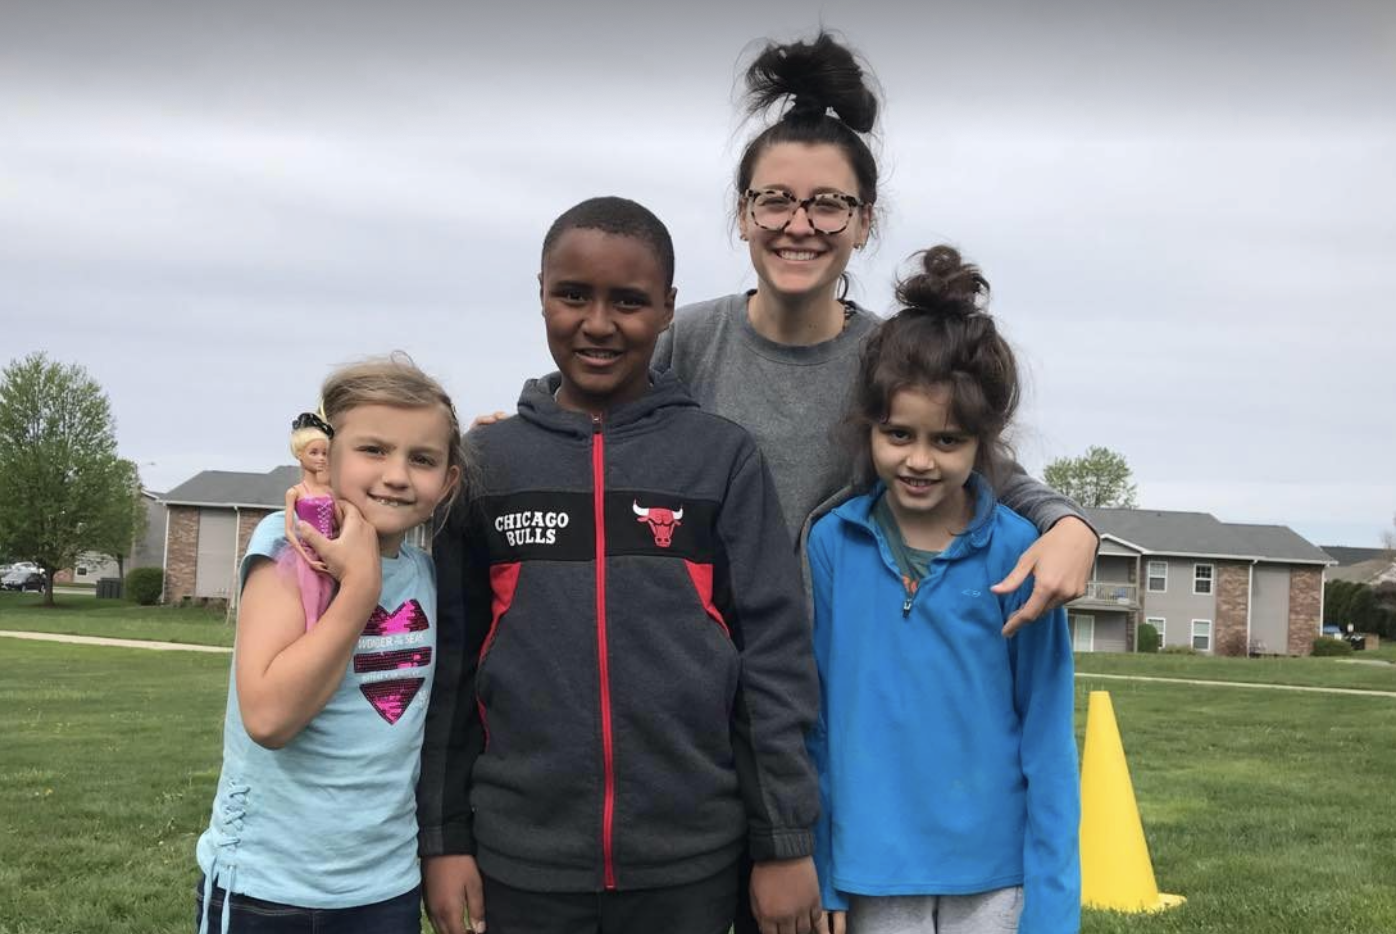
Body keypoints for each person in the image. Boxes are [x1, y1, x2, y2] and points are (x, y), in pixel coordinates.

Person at [418, 196, 825, 934]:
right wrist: (444, 840)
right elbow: (448, 672)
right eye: (573, 295)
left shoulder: (720, 459)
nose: (599, 323)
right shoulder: (487, 466)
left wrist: (783, 842)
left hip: (691, 866)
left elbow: (772, 661)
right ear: (542, 293)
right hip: (520, 864)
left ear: (667, 308)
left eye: (629, 302)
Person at [652, 31, 1098, 636]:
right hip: (697, 661)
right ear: (743, 214)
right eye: (775, 200)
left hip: (837, 663)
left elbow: (979, 463)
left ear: (864, 221)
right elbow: (586, 412)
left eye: (828, 204)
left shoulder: (893, 356)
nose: (799, 225)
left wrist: (1071, 525)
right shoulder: (684, 341)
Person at [807, 246, 1080, 934]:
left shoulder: (1022, 553)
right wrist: (824, 874)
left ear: (984, 440)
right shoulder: (832, 544)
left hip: (995, 880)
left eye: (948, 440)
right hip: (868, 876)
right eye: (898, 434)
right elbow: (817, 724)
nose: (920, 460)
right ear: (869, 427)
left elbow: (1048, 739)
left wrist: (1052, 909)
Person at [193, 356, 467, 934]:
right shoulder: (290, 546)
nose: (397, 475)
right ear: (325, 456)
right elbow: (270, 718)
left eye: (422, 459)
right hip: (267, 888)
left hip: (385, 888)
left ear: (448, 481)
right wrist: (360, 588)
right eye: (373, 450)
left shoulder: (428, 574)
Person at [282, 411, 336, 629]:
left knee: (328, 609)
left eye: (324, 453)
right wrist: (307, 559)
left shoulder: (330, 492)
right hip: (308, 554)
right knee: (312, 613)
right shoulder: (295, 492)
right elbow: (289, 530)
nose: (321, 458)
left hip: (330, 554)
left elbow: (339, 524)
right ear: (300, 455)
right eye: (314, 453)